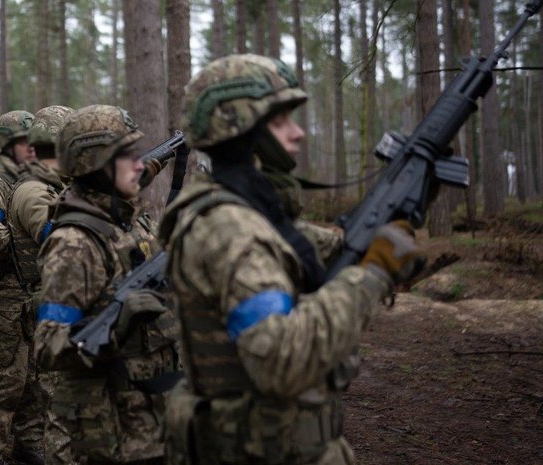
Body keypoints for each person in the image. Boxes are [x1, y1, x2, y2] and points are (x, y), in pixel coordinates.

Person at [159, 54, 426, 465]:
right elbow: (280, 359)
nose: (298, 133)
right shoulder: (230, 228)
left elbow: (319, 248)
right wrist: (372, 275)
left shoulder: (252, 211)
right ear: (244, 130)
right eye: (281, 121)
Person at [35, 104, 179, 465]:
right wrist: (117, 324)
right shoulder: (73, 243)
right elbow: (47, 346)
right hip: (110, 433)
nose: (139, 164)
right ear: (94, 164)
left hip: (153, 415)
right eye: (126, 155)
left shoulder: (130, 222)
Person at [0, 110, 47, 465]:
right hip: (6, 301)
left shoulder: (38, 180)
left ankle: (29, 445)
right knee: (5, 383)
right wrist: (25, 225)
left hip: (36, 296)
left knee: (36, 379)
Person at [4, 105, 76, 465]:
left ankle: (32, 446)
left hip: (52, 301)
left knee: (39, 393)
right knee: (47, 394)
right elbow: (58, 236)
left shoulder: (56, 186)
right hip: (40, 305)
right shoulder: (34, 190)